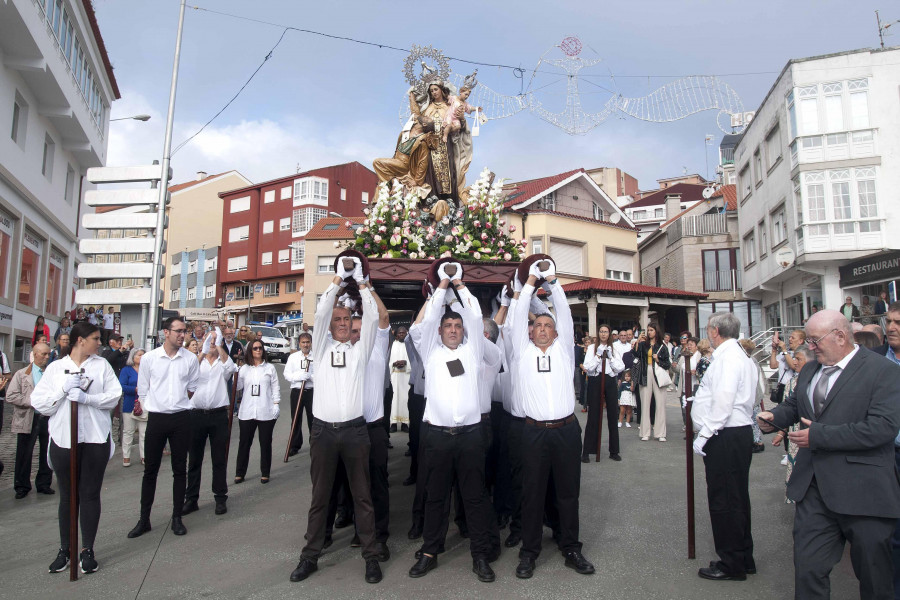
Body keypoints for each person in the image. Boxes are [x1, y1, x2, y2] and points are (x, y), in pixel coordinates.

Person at [758, 309, 900, 598]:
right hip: (814, 490)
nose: (809, 347)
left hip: (865, 493)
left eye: (814, 339)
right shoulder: (810, 369)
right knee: (808, 571)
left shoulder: (883, 371)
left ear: (840, 335)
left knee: (875, 578)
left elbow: (882, 428)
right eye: (808, 340)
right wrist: (773, 418)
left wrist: (820, 435)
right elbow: (796, 407)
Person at [290, 257, 383, 585]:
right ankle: (309, 556)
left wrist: (361, 283)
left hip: (356, 431)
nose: (343, 323)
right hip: (323, 433)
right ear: (330, 325)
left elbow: (371, 318)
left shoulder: (360, 350)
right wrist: (337, 279)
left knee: (363, 496)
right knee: (320, 497)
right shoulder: (320, 348)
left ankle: (371, 557)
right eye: (338, 319)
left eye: (347, 319)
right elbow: (320, 310)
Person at [406, 262, 497, 583]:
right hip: (437, 436)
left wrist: (458, 284)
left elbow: (474, 314)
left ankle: (481, 555)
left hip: (471, 435)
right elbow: (428, 320)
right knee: (436, 496)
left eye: (457, 326)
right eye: (449, 326)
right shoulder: (430, 350)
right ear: (441, 331)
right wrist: (440, 288)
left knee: (474, 497)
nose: (454, 329)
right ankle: (430, 551)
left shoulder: (473, 352)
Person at [510, 260, 595, 580]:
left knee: (568, 491)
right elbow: (518, 317)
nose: (543, 328)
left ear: (556, 332)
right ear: (531, 331)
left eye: (548, 325)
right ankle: (529, 552)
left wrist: (554, 280)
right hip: (533, 433)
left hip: (566, 431)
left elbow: (565, 312)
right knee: (532, 493)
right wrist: (530, 280)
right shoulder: (522, 351)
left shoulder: (563, 351)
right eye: (538, 325)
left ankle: (571, 546)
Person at [31, 321, 122, 574]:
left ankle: (87, 550)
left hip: (94, 437)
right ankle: (66, 548)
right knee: (68, 495)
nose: (99, 343)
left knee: (90, 493)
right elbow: (40, 403)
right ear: (80, 340)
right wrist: (63, 390)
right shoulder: (57, 368)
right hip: (63, 438)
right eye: (95, 338)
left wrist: (88, 398)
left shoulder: (101, 365)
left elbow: (114, 396)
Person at [691, 312, 757, 581]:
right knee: (737, 498)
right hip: (732, 433)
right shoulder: (737, 356)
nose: (708, 333)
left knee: (725, 500)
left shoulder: (729, 359)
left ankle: (731, 563)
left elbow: (724, 401)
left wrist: (704, 434)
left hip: (725, 434)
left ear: (715, 330)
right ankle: (742, 556)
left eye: (708, 329)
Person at [127, 316, 200, 539]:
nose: (182, 335)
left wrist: (178, 402)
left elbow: (193, 387)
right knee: (150, 470)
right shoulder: (150, 359)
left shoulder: (190, 359)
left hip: (180, 418)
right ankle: (144, 519)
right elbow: (143, 388)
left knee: (180, 470)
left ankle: (177, 517)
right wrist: (152, 408)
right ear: (165, 333)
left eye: (184, 331)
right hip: (157, 418)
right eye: (178, 331)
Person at [183, 327, 236, 516]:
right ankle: (191, 499)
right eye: (209, 339)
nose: (212, 343)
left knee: (219, 459)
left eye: (215, 340)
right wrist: (203, 351)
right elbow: (189, 375)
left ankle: (220, 497)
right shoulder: (196, 361)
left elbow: (231, 368)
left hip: (218, 415)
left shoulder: (223, 364)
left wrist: (219, 345)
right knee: (194, 459)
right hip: (196, 414)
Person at [8, 342, 54, 499]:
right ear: (35, 355)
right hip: (28, 417)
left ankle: (44, 483)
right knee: (24, 453)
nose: (47, 357)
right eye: (44, 354)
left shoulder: (51, 373)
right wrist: (32, 401)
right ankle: (21, 485)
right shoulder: (22, 374)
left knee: (46, 451)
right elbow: (11, 395)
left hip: (47, 417)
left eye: (48, 354)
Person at [770, 345, 814, 502]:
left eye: (799, 359)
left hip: (809, 430)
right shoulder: (793, 381)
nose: (795, 362)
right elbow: (787, 408)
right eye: (794, 358)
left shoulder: (815, 379)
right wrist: (781, 432)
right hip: (794, 430)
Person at [234, 338, 280, 485]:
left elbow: (275, 387)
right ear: (250, 351)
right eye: (255, 348)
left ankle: (265, 472)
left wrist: (276, 404)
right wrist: (236, 372)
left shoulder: (269, 368)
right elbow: (239, 387)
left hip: (265, 410)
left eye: (260, 348)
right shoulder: (245, 369)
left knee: (265, 442)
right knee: (244, 443)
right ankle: (240, 472)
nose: (258, 350)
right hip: (247, 411)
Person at [582, 324, 624, 462]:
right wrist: (598, 355)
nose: (603, 334)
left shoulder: (614, 348)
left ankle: (614, 450)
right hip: (596, 379)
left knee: (612, 414)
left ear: (610, 334)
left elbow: (620, 368)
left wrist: (611, 358)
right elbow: (588, 367)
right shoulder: (592, 348)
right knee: (593, 415)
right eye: (601, 331)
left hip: (610, 379)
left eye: (606, 332)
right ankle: (587, 451)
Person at [635, 323, 671, 442]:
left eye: (651, 330)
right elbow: (635, 355)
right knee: (645, 403)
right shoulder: (643, 345)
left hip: (658, 372)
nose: (649, 332)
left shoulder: (662, 346)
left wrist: (658, 360)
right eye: (648, 330)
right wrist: (638, 341)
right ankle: (645, 432)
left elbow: (667, 364)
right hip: (645, 372)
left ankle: (660, 433)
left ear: (656, 331)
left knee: (660, 403)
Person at [284, 332, 314, 456]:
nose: (305, 345)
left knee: (313, 419)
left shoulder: (316, 357)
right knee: (296, 418)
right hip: (297, 391)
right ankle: (295, 445)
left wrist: (310, 377)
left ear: (311, 343)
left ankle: (315, 444)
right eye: (303, 342)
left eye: (307, 342)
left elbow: (321, 374)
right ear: (299, 343)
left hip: (311, 391)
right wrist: (299, 377)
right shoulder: (293, 357)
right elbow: (287, 374)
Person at [738, 338, 767, 454]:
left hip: (753, 394)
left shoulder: (750, 361)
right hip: (754, 394)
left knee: (754, 419)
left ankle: (757, 442)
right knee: (753, 418)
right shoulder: (751, 360)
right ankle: (755, 440)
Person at [120, 349, 147, 467]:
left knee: (144, 432)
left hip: (144, 404)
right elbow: (122, 385)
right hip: (130, 404)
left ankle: (144, 456)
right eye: (139, 355)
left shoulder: (147, 370)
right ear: (133, 357)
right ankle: (126, 456)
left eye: (143, 355)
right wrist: (135, 389)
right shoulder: (126, 370)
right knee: (128, 431)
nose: (142, 357)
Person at [769, 330, 806, 404]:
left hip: (793, 387)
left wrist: (784, 349)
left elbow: (794, 366)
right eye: (789, 337)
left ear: (800, 341)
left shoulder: (803, 353)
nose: (790, 339)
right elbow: (773, 366)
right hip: (782, 386)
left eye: (793, 338)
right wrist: (774, 350)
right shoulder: (785, 352)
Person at [388, 327, 411, 432]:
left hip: (406, 376)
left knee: (405, 399)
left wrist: (405, 363)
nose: (402, 334)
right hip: (395, 376)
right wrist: (394, 364)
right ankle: (393, 423)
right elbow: (389, 360)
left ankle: (404, 423)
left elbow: (413, 360)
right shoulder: (393, 345)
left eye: (404, 333)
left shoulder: (410, 345)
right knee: (394, 399)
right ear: (396, 334)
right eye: (400, 333)